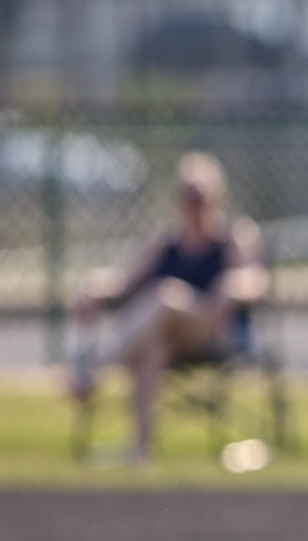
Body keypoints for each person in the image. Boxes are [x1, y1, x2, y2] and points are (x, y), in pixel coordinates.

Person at [68, 151, 268, 462]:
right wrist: (94, 288)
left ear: (217, 197)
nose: (194, 206)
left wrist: (230, 288)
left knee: (165, 296)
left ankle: (94, 371)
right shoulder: (165, 242)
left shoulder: (233, 236)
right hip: (171, 340)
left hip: (214, 331)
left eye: (201, 197)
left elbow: (254, 281)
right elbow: (124, 284)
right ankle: (141, 450)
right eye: (188, 197)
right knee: (151, 349)